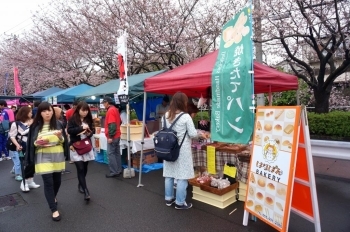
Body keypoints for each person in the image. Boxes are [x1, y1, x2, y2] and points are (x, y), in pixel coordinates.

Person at [26, 102, 69, 221]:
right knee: (48, 182)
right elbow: (32, 143)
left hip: (57, 155)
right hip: (42, 156)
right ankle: (54, 209)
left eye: (49, 110)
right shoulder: (35, 126)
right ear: (40, 112)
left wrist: (60, 137)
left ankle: (53, 197)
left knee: (57, 181)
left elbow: (63, 141)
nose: (47, 113)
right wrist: (38, 143)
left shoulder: (59, 124)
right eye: (44, 111)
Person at [162, 92, 202, 210]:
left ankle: (169, 198)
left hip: (168, 149)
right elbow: (193, 134)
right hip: (182, 150)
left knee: (169, 174)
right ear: (183, 103)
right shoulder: (186, 117)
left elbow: (163, 130)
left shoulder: (166, 115)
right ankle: (180, 202)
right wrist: (201, 135)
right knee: (182, 176)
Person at [67, 102, 95, 201]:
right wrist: (81, 128)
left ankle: (81, 183)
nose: (85, 112)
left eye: (86, 110)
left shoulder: (89, 119)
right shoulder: (73, 119)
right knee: (80, 168)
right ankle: (86, 190)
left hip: (86, 145)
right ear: (78, 110)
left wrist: (89, 133)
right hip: (76, 146)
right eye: (83, 110)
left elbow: (93, 131)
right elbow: (69, 131)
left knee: (85, 167)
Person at [8, 106, 33, 182]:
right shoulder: (15, 124)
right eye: (30, 112)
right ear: (25, 113)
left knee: (20, 159)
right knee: (18, 160)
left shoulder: (31, 121)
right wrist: (17, 145)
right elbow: (12, 136)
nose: (31, 114)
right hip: (15, 146)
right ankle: (18, 174)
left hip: (25, 145)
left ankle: (14, 169)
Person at [102, 97, 122, 178]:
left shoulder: (110, 110)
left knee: (111, 154)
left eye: (104, 103)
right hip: (117, 135)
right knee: (116, 153)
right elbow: (119, 122)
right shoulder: (115, 109)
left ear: (107, 103)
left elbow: (112, 124)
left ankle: (114, 171)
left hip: (113, 136)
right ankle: (118, 170)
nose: (103, 104)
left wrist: (110, 136)